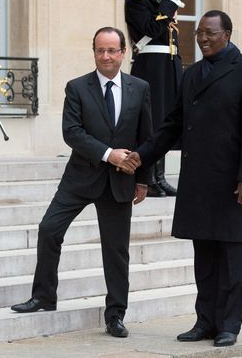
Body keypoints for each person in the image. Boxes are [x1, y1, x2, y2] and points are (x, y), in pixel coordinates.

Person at [123, 10, 242, 347]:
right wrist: (142, 154)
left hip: (233, 181)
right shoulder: (191, 75)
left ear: (227, 34)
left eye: (210, 33)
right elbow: (172, 125)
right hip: (198, 179)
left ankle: (229, 324)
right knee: (203, 255)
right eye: (199, 33)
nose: (203, 38)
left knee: (231, 256)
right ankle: (205, 321)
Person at [11, 27, 153, 339]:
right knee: (49, 229)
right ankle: (44, 297)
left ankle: (115, 315)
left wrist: (144, 180)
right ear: (94, 52)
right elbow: (72, 132)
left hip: (120, 183)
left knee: (116, 251)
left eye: (112, 50)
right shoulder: (77, 87)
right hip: (80, 177)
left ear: (123, 53)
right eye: (100, 50)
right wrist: (108, 154)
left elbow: (147, 137)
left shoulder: (139, 88)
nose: (106, 56)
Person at [124, 0, 183, 197]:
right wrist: (168, 5)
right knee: (153, 121)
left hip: (169, 64)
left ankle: (160, 177)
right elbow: (151, 29)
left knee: (168, 120)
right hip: (150, 65)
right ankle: (148, 177)